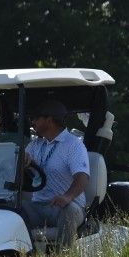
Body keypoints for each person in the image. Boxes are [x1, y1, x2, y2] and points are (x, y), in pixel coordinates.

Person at [22, 99, 90, 248]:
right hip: (38, 206)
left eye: (36, 118)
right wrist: (21, 160)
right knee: (14, 209)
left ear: (49, 120)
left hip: (64, 207)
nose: (33, 122)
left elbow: (82, 177)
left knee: (70, 212)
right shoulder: (35, 144)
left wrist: (67, 197)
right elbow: (17, 165)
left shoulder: (73, 144)